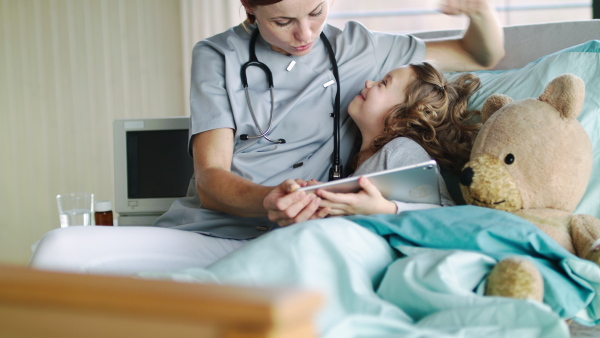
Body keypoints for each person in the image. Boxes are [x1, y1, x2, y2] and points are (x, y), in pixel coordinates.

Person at [29, 0, 504, 275]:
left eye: (316, 11)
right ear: (249, 9)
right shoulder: (216, 56)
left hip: (296, 247)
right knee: (56, 251)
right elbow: (212, 177)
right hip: (217, 235)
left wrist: (479, 10)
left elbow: (480, 55)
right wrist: (268, 201)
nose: (305, 33)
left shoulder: (360, 51)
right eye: (283, 21)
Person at [313, 62, 481, 217]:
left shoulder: (403, 149)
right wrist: (317, 198)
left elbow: (446, 216)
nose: (368, 83)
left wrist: (383, 209)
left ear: (402, 117)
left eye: (383, 83)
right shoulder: (362, 160)